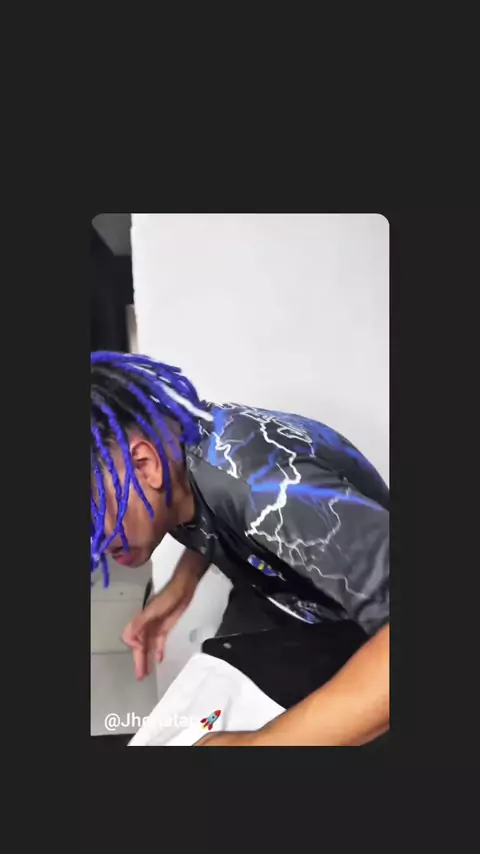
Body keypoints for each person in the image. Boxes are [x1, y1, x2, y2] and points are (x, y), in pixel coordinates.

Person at [91, 351, 390, 746]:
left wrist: (261, 744)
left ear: (144, 465)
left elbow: (247, 501)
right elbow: (210, 506)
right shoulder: (176, 451)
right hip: (284, 593)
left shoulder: (274, 493)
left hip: (355, 626)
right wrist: (181, 587)